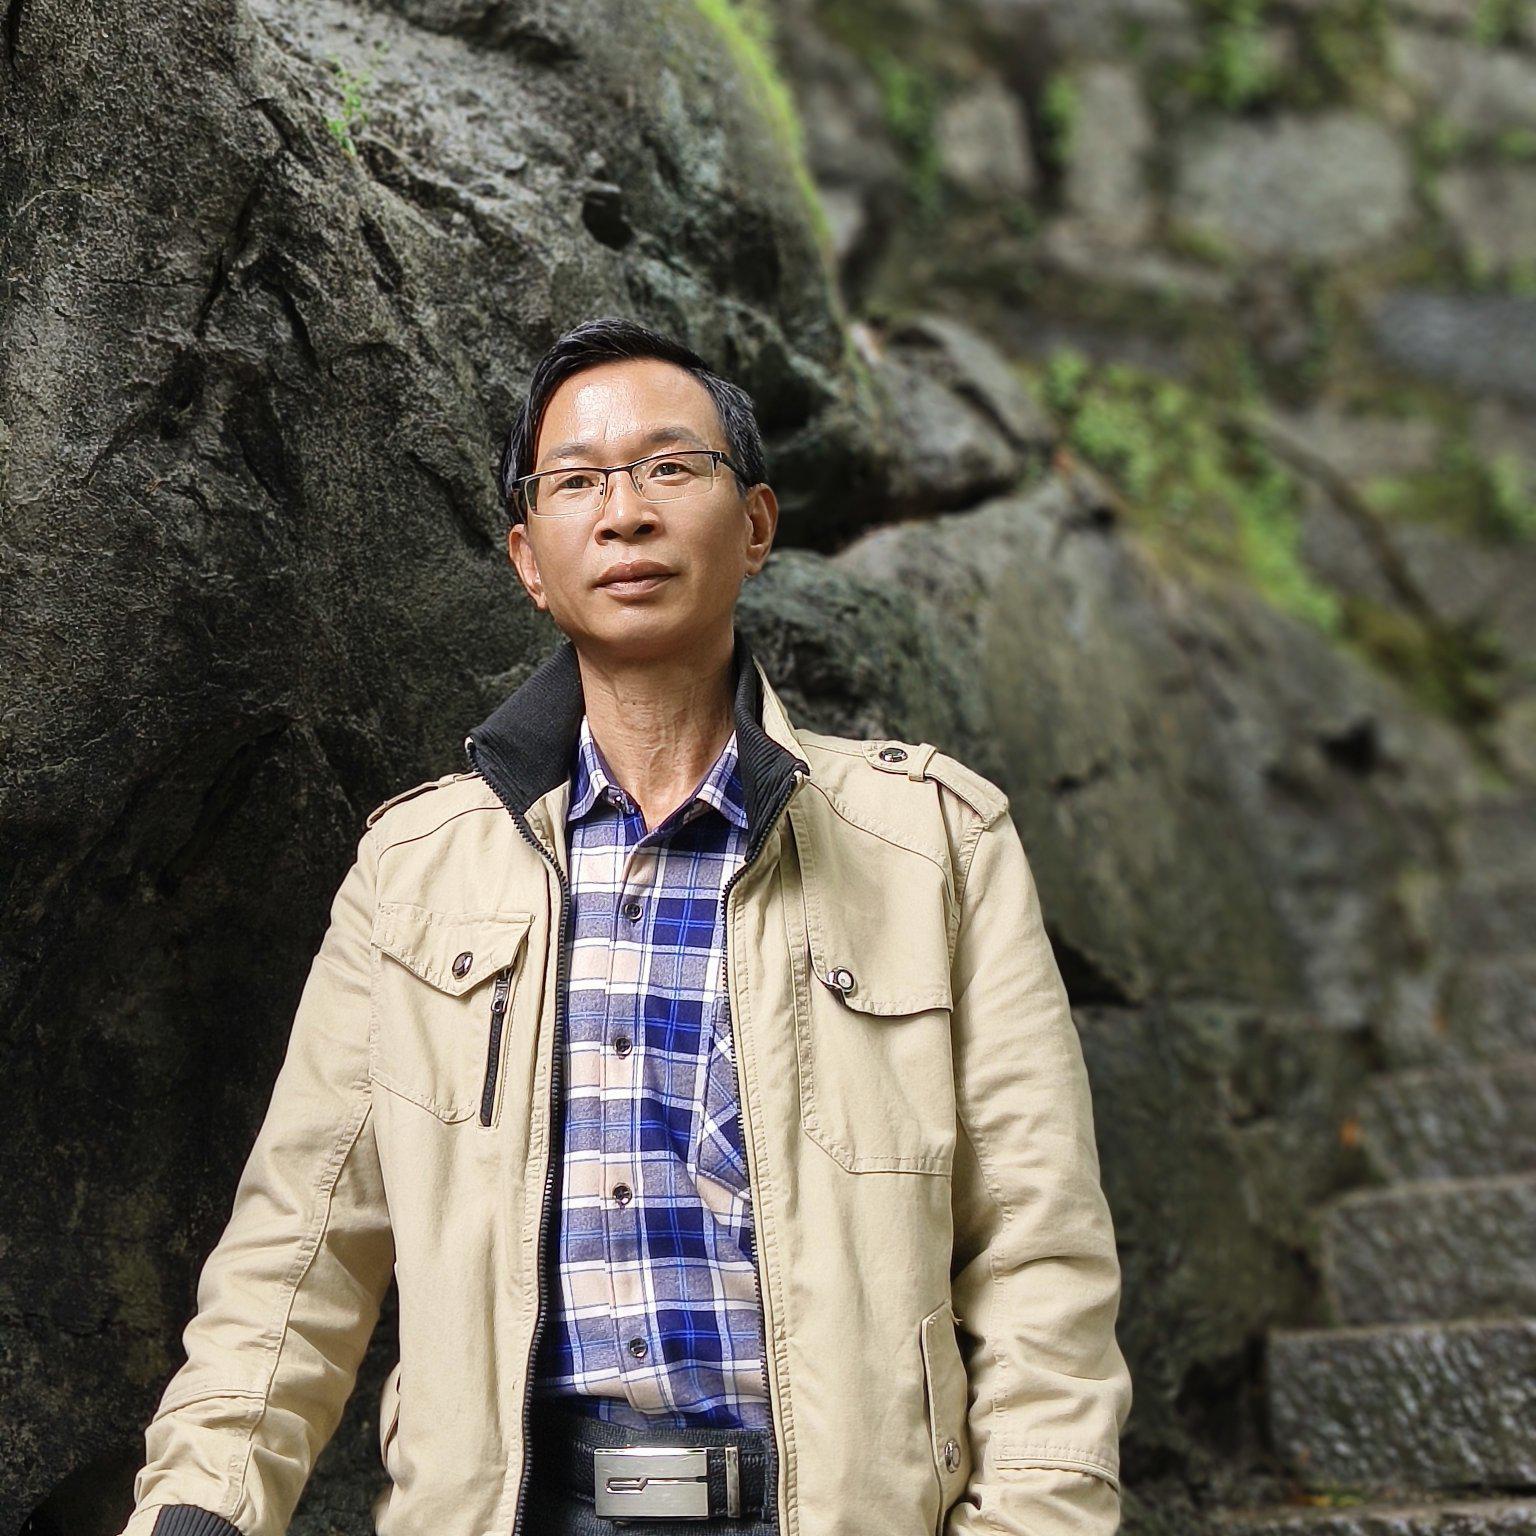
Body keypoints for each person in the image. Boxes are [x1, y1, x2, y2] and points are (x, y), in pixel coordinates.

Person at [118, 316, 1132, 1536]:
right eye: (578, 482)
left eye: (668, 467)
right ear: (528, 559)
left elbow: (1039, 1254)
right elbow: (298, 1249)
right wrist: (200, 1506)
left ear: (754, 525)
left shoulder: (937, 846)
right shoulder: (418, 870)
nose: (626, 514)